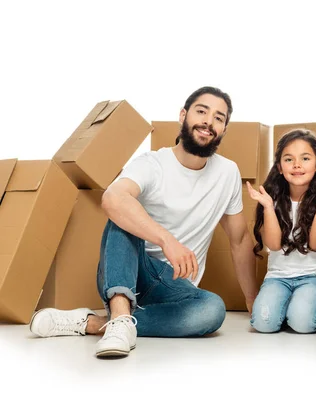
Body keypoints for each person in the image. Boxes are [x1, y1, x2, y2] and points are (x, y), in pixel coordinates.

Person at [30, 86, 259, 357]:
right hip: (133, 268)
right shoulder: (152, 163)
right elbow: (112, 198)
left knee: (213, 311)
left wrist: (251, 299)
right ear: (183, 115)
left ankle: (101, 323)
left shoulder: (228, 172)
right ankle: (119, 311)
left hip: (176, 286)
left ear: (223, 130)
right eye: (201, 111)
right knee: (122, 212)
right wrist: (166, 240)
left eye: (219, 118)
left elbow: (240, 239)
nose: (209, 121)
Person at [247, 129, 316, 333]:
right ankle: (291, 308)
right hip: (278, 277)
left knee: (303, 324)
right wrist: (267, 207)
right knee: (263, 324)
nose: (297, 165)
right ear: (280, 168)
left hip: (315, 277)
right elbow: (273, 245)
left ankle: (309, 306)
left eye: (305, 158)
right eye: (289, 159)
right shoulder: (270, 198)